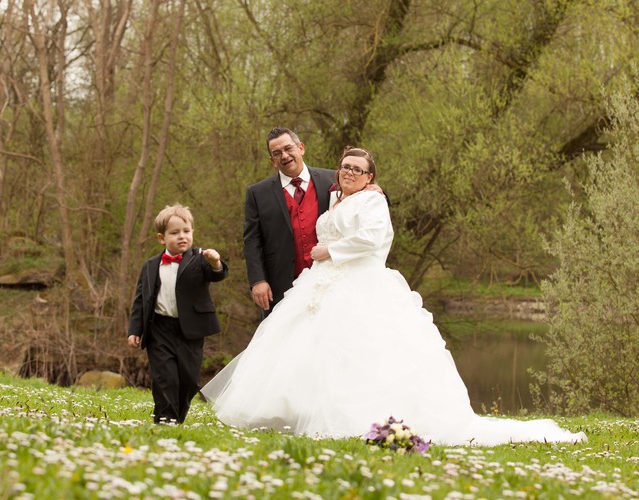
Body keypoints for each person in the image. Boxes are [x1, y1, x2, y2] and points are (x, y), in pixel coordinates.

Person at [201, 148, 586, 446]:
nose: (349, 172)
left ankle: (356, 417)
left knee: (360, 351)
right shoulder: (335, 198)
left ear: (370, 177)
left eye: (358, 169)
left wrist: (330, 250)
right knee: (305, 346)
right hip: (320, 283)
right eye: (345, 167)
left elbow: (374, 239)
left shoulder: (372, 201)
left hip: (359, 284)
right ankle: (290, 412)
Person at [244, 127, 384, 315]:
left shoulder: (334, 179)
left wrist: (376, 189)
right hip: (281, 281)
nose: (284, 156)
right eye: (277, 153)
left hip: (329, 280)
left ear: (301, 148)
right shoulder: (257, 193)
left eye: (288, 148)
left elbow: (364, 201)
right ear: (272, 160)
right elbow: (252, 240)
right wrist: (258, 280)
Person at [128, 203, 228, 424]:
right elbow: (140, 299)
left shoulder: (200, 259)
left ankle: (176, 418)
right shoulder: (150, 265)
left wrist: (215, 262)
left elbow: (217, 274)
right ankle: (165, 420)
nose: (182, 236)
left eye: (186, 231)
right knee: (165, 377)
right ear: (161, 238)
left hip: (190, 331)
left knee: (189, 379)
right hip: (159, 329)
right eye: (174, 233)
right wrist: (135, 330)